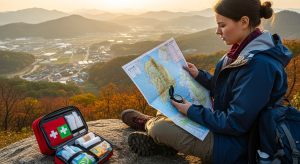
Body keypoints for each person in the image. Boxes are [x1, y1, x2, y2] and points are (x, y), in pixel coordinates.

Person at [121, 0, 293, 163]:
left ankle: (147, 125)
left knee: (160, 128)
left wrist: (191, 111)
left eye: (222, 25)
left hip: (238, 145)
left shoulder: (259, 65)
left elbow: (236, 123)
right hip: (224, 128)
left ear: (244, 22)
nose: (217, 31)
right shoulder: (240, 52)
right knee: (169, 105)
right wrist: (199, 76)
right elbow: (229, 90)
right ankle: (163, 139)